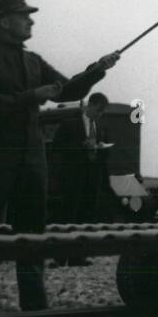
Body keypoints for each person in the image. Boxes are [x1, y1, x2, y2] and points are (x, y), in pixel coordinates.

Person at [0, 0, 121, 314]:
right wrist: (32, 94)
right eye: (25, 16)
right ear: (4, 22)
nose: (31, 21)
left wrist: (98, 69)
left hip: (32, 161)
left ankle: (35, 313)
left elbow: (69, 89)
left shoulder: (33, 60)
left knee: (33, 236)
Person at [52, 93, 115, 264]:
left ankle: (77, 257)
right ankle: (59, 258)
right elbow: (57, 146)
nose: (100, 114)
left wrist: (102, 148)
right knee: (68, 216)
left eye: (102, 112)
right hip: (73, 177)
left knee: (87, 217)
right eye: (99, 110)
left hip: (92, 178)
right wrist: (81, 146)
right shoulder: (69, 124)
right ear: (90, 105)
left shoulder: (101, 128)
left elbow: (106, 155)